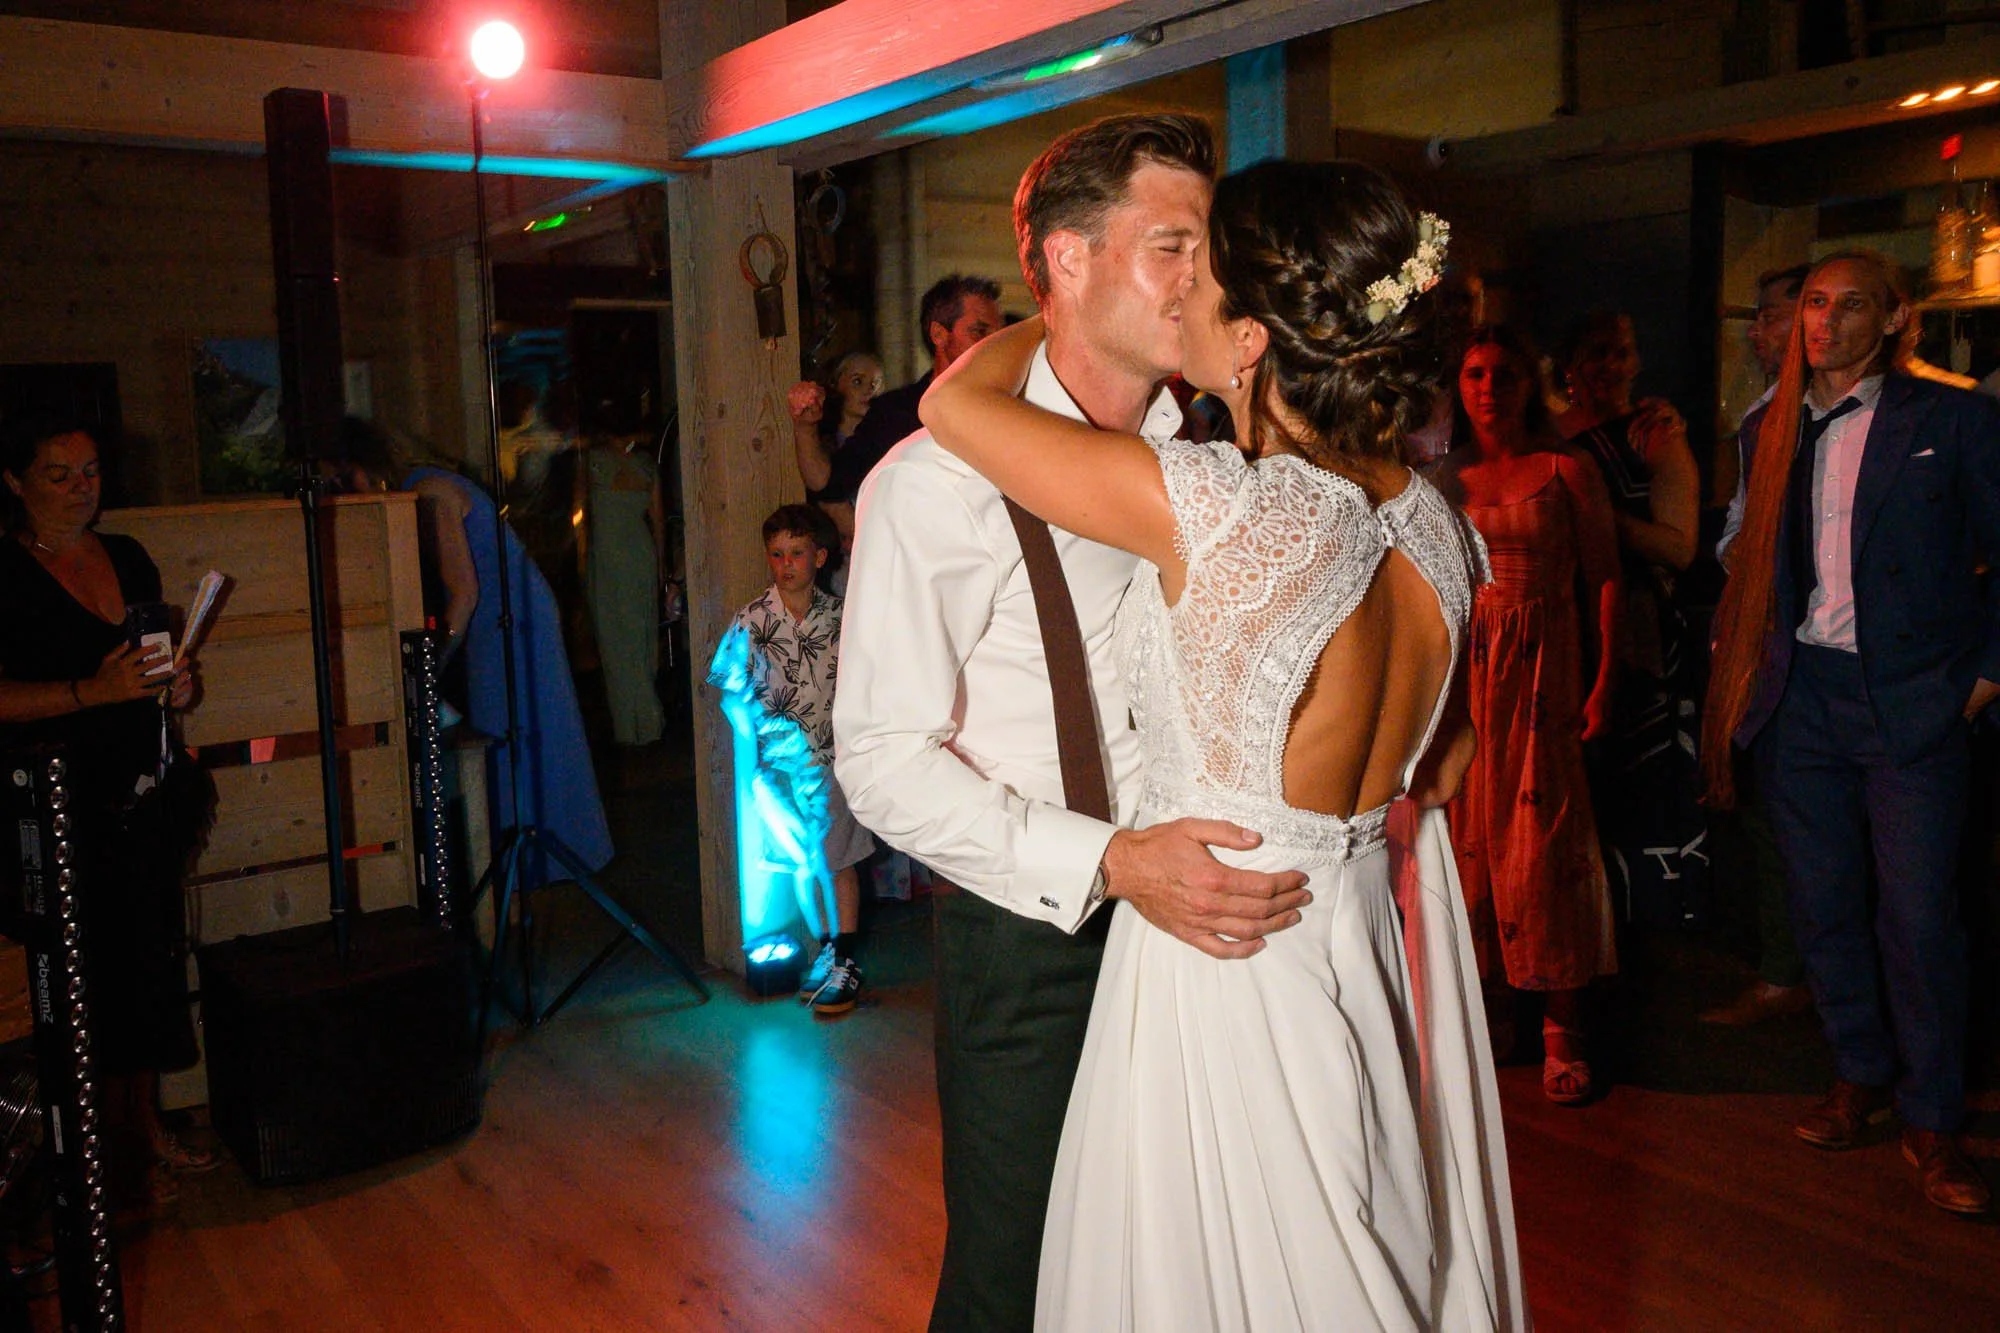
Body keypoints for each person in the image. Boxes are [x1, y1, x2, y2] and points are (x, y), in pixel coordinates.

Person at [835, 116, 1319, 1331]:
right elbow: (879, 764)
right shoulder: (932, 482)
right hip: (1032, 947)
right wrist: (1110, 861)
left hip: (1198, 926)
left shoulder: (1198, 453)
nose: (1201, 279)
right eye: (1171, 246)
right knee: (1015, 1284)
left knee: (1166, 1275)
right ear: (1065, 259)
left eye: (1206, 249)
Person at [1704, 250, 2000, 1218]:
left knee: (1920, 919)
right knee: (1823, 906)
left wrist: (1980, 683)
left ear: (1895, 317)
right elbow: (1750, 554)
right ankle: (1857, 1072)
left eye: (1849, 304)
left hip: (1913, 698)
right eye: (1814, 303)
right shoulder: (1768, 426)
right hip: (1803, 698)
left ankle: (1934, 1117)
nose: (1823, 321)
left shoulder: (1950, 418)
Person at [0, 414, 215, 1214]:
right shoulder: (4, 572)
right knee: (82, 982)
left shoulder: (127, 555)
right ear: (14, 481)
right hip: (54, 807)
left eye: (90, 470)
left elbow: (152, 671)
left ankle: (143, 1131)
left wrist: (177, 686)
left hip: (140, 793)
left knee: (148, 967)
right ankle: (91, 1157)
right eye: (58, 474)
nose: (80, 487)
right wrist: (91, 691)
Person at [1436, 324, 1621, 1105]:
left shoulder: (1565, 468)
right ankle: (1493, 1000)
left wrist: (1605, 679)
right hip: (1465, 672)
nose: (1489, 388)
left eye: (1504, 373)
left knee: (1543, 841)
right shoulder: (1444, 475)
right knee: (1470, 838)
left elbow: (1605, 576)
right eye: (1475, 373)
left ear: (1527, 383)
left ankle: (1561, 1022)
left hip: (1544, 669)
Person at [333, 419, 611, 890]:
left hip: (510, 617)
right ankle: (525, 865)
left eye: (346, 479)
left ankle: (530, 864)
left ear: (362, 468)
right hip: (506, 613)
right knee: (513, 732)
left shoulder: (430, 493)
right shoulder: (424, 485)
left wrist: (431, 665)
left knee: (512, 733)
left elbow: (464, 590)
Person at [1555, 312, 1707, 923]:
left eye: (1621, 352)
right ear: (1569, 367)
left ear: (1637, 361)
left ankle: (1647, 912)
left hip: (1639, 628)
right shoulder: (1544, 433)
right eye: (1595, 352)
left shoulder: (1654, 434)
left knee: (1639, 773)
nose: (1609, 366)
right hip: (1562, 623)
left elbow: (1681, 548)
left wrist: (1596, 513)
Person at [1703, 263, 1815, 1027]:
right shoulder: (1760, 418)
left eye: (1773, 316)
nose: (1759, 332)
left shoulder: (1918, 408)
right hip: (1769, 641)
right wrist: (1740, 555)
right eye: (1760, 318)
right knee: (1771, 807)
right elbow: (1740, 524)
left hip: (1842, 650)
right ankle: (1786, 970)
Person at [710, 506, 875, 1014]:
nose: (786, 564)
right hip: (781, 767)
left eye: (796, 553)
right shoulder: (752, 619)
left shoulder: (844, 617)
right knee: (805, 862)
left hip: (833, 761)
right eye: (777, 554)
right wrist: (753, 735)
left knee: (838, 857)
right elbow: (728, 686)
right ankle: (826, 948)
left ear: (819, 557)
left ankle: (844, 957)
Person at [806, 275, 1004, 544]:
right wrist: (803, 426)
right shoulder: (896, 413)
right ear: (939, 334)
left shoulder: (1009, 409)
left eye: (1000, 333)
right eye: (979, 331)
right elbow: (829, 484)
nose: (994, 343)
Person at [582, 434, 667, 756]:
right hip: (626, 556)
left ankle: (636, 723)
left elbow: (581, 516)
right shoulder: (615, 462)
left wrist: (661, 567)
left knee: (623, 638)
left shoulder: (596, 462)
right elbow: (657, 522)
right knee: (633, 636)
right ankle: (640, 722)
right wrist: (660, 565)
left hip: (615, 557)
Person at [788, 350, 885, 504]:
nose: (869, 391)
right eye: (857, 382)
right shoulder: (820, 443)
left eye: (875, 384)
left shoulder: (884, 439)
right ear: (835, 384)